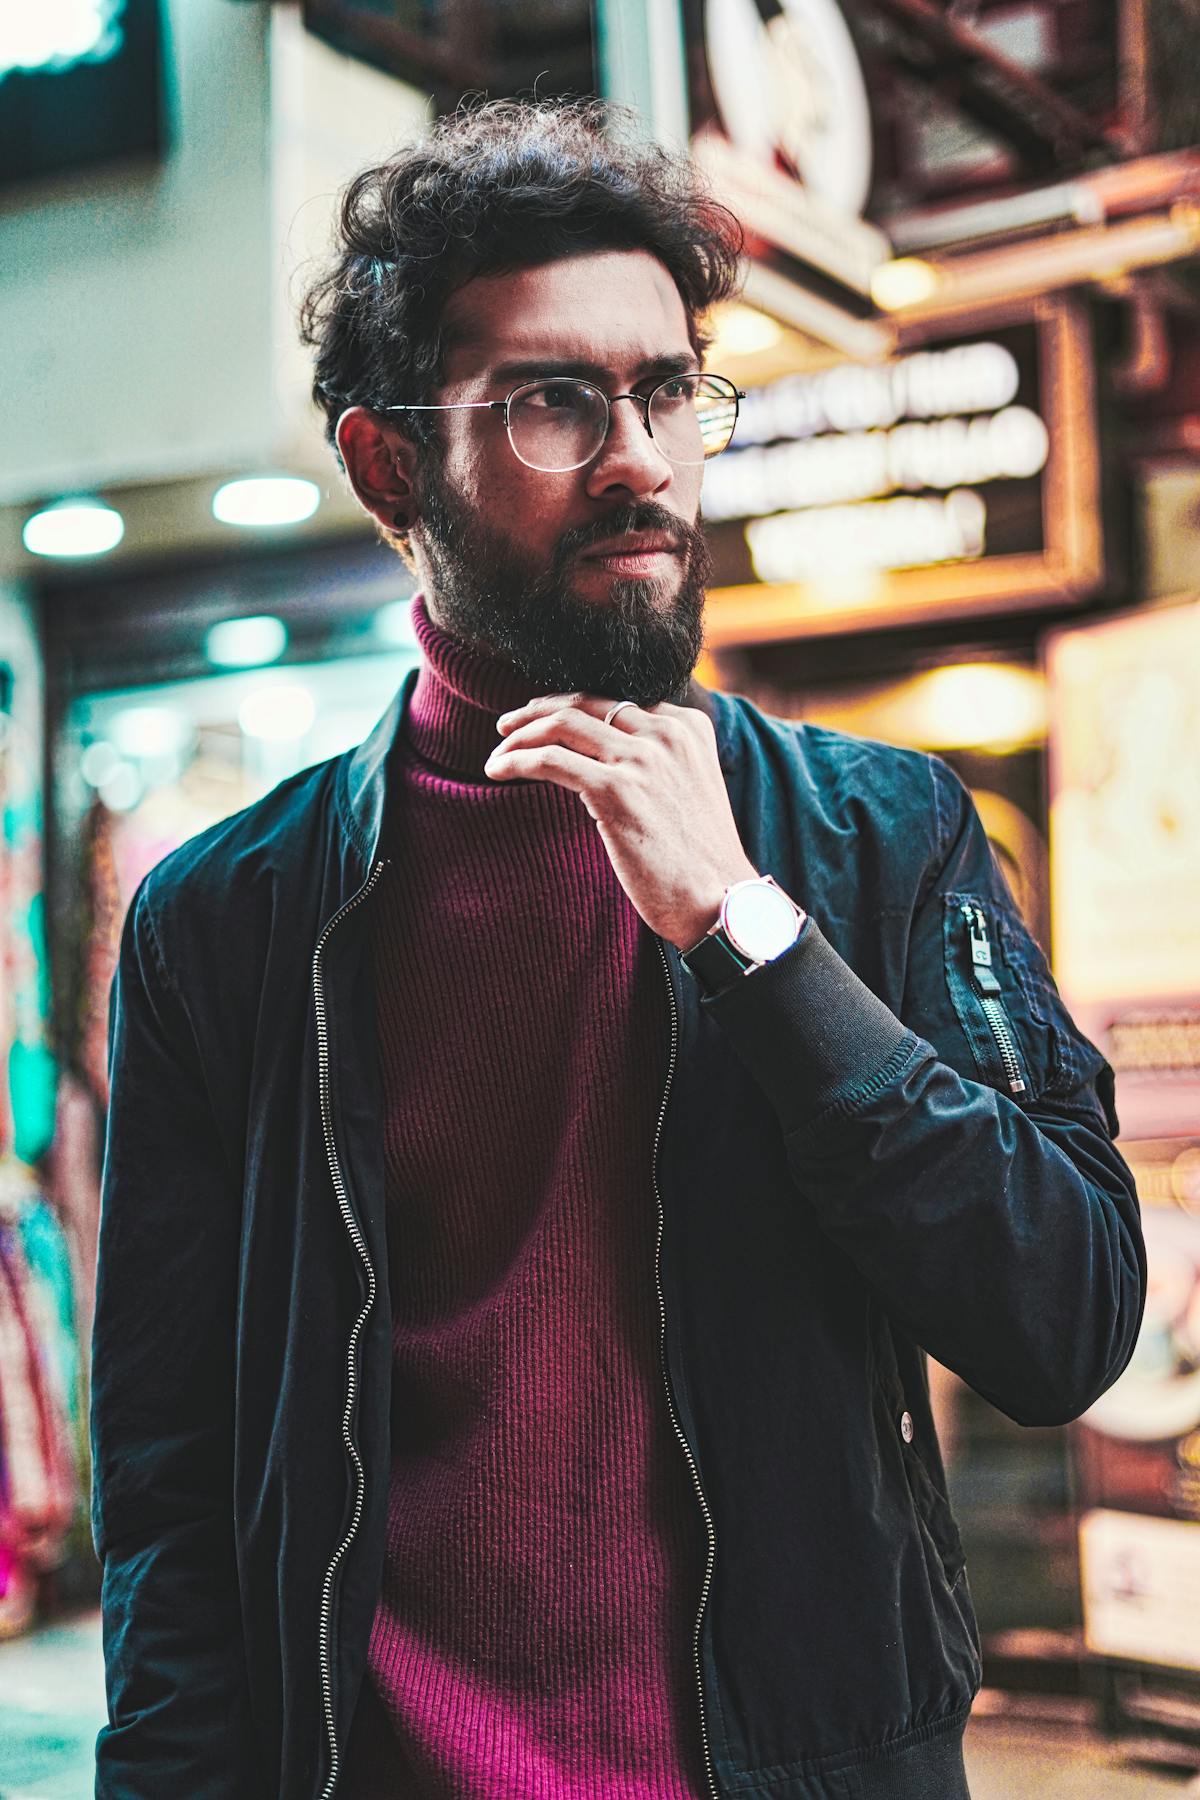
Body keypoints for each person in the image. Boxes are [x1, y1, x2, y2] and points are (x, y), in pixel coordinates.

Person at [90, 98, 1144, 1800]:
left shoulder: (874, 836)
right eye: (551, 404)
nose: (641, 455)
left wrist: (753, 937)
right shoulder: (230, 915)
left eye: (665, 391)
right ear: (386, 464)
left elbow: (1070, 1313)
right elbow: (171, 1477)